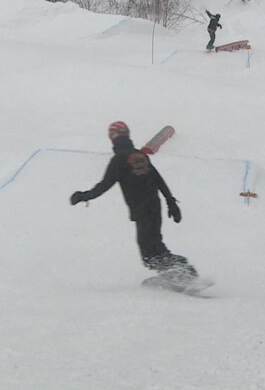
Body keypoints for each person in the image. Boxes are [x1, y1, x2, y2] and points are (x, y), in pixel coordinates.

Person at [70, 121, 198, 283]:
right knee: (155, 246)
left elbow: (104, 186)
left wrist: (83, 196)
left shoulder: (118, 160)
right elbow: (158, 179)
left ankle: (184, 272)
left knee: (149, 254)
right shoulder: (140, 155)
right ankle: (176, 274)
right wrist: (170, 201)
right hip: (154, 207)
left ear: (112, 138)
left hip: (142, 211)